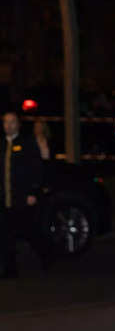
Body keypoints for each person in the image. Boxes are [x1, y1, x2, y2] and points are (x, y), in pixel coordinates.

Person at [0, 110, 47, 277]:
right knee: (6, 236)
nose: (9, 125)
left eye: (12, 122)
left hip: (22, 198)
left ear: (18, 124)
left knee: (30, 231)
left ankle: (45, 255)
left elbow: (36, 169)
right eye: (6, 122)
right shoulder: (2, 145)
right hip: (5, 199)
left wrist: (33, 192)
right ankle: (10, 269)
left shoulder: (26, 144)